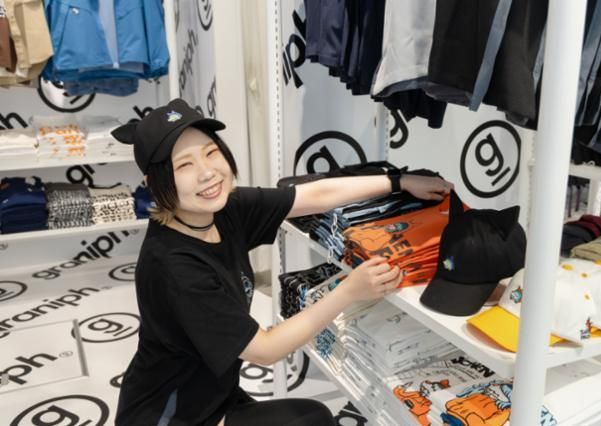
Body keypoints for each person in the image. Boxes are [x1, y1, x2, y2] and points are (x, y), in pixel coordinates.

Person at [111, 99, 453, 426]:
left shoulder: (222, 211)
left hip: (210, 394)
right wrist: (349, 291)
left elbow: (313, 196)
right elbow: (264, 350)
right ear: (154, 183)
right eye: (184, 165)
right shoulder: (173, 266)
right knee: (311, 420)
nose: (207, 173)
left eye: (211, 152)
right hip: (169, 416)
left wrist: (398, 182)